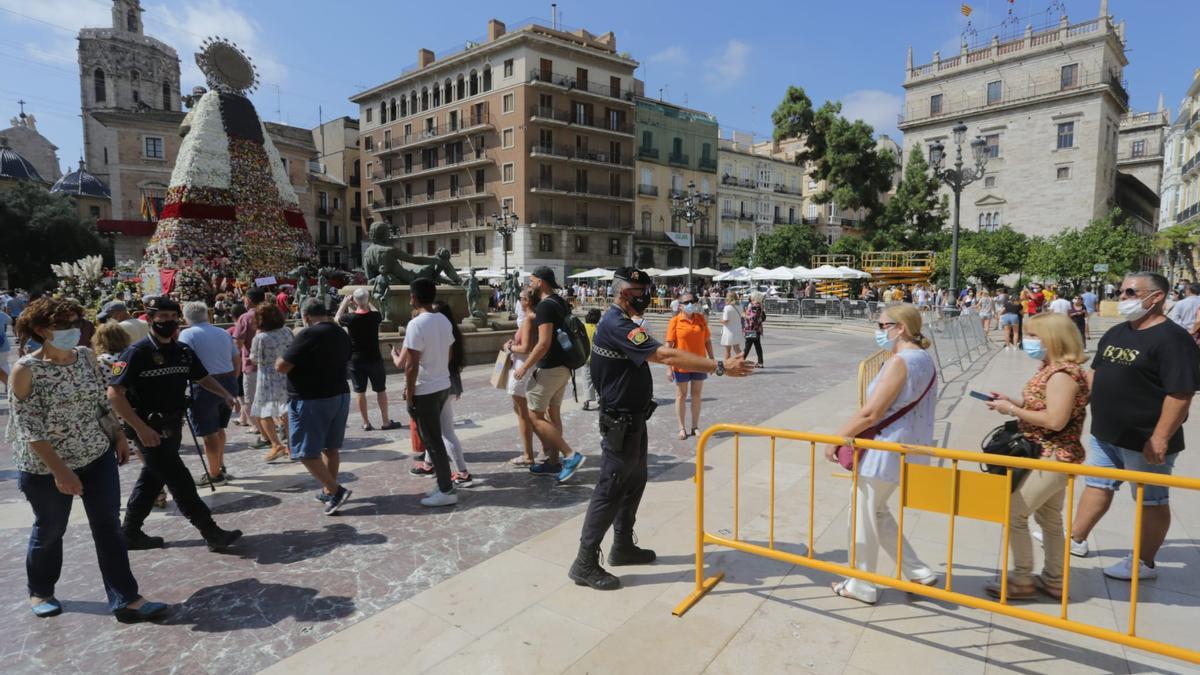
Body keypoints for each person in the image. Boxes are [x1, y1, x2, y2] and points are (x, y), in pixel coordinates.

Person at [569, 267, 753, 590]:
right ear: (625, 293)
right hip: (620, 423)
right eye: (640, 291)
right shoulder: (616, 324)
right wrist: (720, 366)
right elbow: (664, 354)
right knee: (610, 487)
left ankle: (622, 544)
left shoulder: (624, 323)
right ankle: (584, 562)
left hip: (633, 420)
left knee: (635, 480)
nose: (647, 296)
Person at [7, 297, 168, 622]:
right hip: (45, 467)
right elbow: (30, 428)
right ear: (41, 330)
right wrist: (61, 472)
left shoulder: (85, 356)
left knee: (109, 526)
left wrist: (119, 436)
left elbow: (100, 401)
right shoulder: (26, 370)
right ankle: (41, 589)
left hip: (95, 455)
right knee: (51, 529)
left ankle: (126, 598)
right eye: (62, 326)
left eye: (75, 324)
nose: (72, 331)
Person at [1067, 273, 1199, 580]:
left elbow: (1180, 393)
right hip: (1106, 433)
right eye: (1121, 291)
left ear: (1155, 298)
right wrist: (1075, 406)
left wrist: (1161, 437)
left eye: (1130, 292)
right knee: (1097, 485)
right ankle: (1076, 538)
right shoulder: (1117, 332)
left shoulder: (1174, 340)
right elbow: (1096, 373)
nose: (1122, 297)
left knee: (1150, 499)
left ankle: (1144, 562)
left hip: (1145, 440)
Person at [107, 296, 243, 552]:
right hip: (149, 429)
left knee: (152, 479)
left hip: (174, 425)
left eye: (172, 317)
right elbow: (114, 393)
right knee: (181, 482)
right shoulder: (136, 353)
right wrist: (140, 428)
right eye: (162, 317)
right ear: (150, 319)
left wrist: (225, 394)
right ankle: (211, 532)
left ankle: (129, 532)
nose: (168, 322)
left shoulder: (182, 351)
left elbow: (203, 377)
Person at [826, 303, 939, 605]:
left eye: (882, 325)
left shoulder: (901, 361)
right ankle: (918, 571)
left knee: (862, 514)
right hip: (907, 446)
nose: (879, 331)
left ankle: (862, 584)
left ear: (899, 327)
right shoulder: (924, 359)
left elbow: (871, 412)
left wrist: (837, 438)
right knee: (876, 511)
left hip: (885, 450)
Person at [982, 313, 1089, 600]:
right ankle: (1054, 579)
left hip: (1053, 456)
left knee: (1014, 513)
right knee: (1050, 518)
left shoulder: (1062, 374)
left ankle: (1022, 578)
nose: (1027, 340)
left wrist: (1012, 411)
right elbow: (1041, 405)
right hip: (1050, 454)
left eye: (1032, 335)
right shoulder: (1051, 367)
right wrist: (1011, 402)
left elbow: (1054, 420)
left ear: (1052, 338)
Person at [276, 298, 353, 514]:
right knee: (331, 447)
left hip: (311, 398)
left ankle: (335, 490)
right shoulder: (340, 332)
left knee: (306, 452)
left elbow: (281, 366)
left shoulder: (308, 334)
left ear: (306, 316)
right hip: (339, 395)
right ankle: (329, 492)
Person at [511, 267, 586, 483]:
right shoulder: (560, 301)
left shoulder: (545, 306)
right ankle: (553, 462)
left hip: (550, 368)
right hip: (565, 368)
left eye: (532, 280)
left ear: (541, 282)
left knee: (534, 416)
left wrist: (525, 368)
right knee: (553, 414)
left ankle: (570, 455)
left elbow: (543, 343)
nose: (530, 283)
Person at [392, 278, 458, 507]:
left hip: (426, 389)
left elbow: (411, 365)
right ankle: (442, 485)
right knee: (434, 438)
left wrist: (409, 396)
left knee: (432, 441)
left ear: (414, 297)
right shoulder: (443, 320)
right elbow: (449, 355)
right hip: (442, 384)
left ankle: (447, 490)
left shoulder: (416, 324)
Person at [179, 302, 240, 487]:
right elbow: (235, 358)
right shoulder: (222, 333)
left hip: (205, 384)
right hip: (228, 380)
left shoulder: (188, 334)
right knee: (219, 428)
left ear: (186, 317)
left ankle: (214, 473)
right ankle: (219, 466)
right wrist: (233, 380)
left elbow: (183, 360)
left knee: (209, 433)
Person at [336, 288, 398, 431]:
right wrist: (366, 302)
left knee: (360, 391)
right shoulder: (374, 317)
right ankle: (385, 421)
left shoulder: (349, 319)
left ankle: (366, 423)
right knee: (381, 390)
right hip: (374, 358)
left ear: (355, 301)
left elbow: (336, 319)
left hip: (355, 360)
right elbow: (377, 312)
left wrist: (344, 303)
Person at [249, 304, 293, 462]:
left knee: (263, 412)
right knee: (287, 410)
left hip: (267, 376)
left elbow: (254, 358)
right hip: (286, 374)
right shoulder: (287, 331)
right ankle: (292, 445)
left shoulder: (261, 337)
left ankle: (276, 444)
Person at [666, 292, 713, 440]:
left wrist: (711, 361)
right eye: (686, 302)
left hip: (699, 363)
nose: (690, 304)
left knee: (697, 395)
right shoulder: (675, 321)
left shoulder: (700, 319)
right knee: (681, 395)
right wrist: (668, 368)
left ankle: (695, 426)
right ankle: (681, 427)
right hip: (681, 364)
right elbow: (669, 345)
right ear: (680, 305)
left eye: (693, 301)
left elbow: (707, 341)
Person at [232, 287, 270, 449]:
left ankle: (264, 434)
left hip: (251, 365)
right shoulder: (271, 313)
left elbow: (237, 344)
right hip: (272, 365)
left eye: (245, 298)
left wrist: (235, 366)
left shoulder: (245, 317)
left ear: (249, 300)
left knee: (251, 401)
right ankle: (274, 431)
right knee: (272, 400)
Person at [504, 290, 538, 466]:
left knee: (522, 413)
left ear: (527, 301)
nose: (519, 301)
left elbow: (525, 348)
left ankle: (528, 455)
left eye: (521, 298)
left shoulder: (528, 319)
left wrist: (510, 347)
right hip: (529, 366)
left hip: (521, 367)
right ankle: (537, 450)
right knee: (522, 411)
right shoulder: (534, 317)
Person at [581, 308, 602, 410]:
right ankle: (600, 401)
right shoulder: (599, 328)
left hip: (585, 357)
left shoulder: (583, 327)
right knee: (598, 379)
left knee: (586, 379)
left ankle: (586, 401)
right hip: (597, 358)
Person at [742, 292, 766, 367]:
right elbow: (763, 317)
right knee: (758, 346)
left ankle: (740, 362)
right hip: (757, 329)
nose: (750, 297)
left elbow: (753, 318)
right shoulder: (760, 306)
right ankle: (760, 362)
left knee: (747, 346)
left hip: (752, 329)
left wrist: (745, 316)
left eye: (751, 296)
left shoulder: (755, 306)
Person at [719, 291, 744, 360]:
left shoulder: (727, 307)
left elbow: (726, 320)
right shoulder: (740, 306)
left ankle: (726, 366)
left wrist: (720, 320)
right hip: (737, 329)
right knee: (737, 348)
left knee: (727, 350)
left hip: (729, 331)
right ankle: (742, 363)